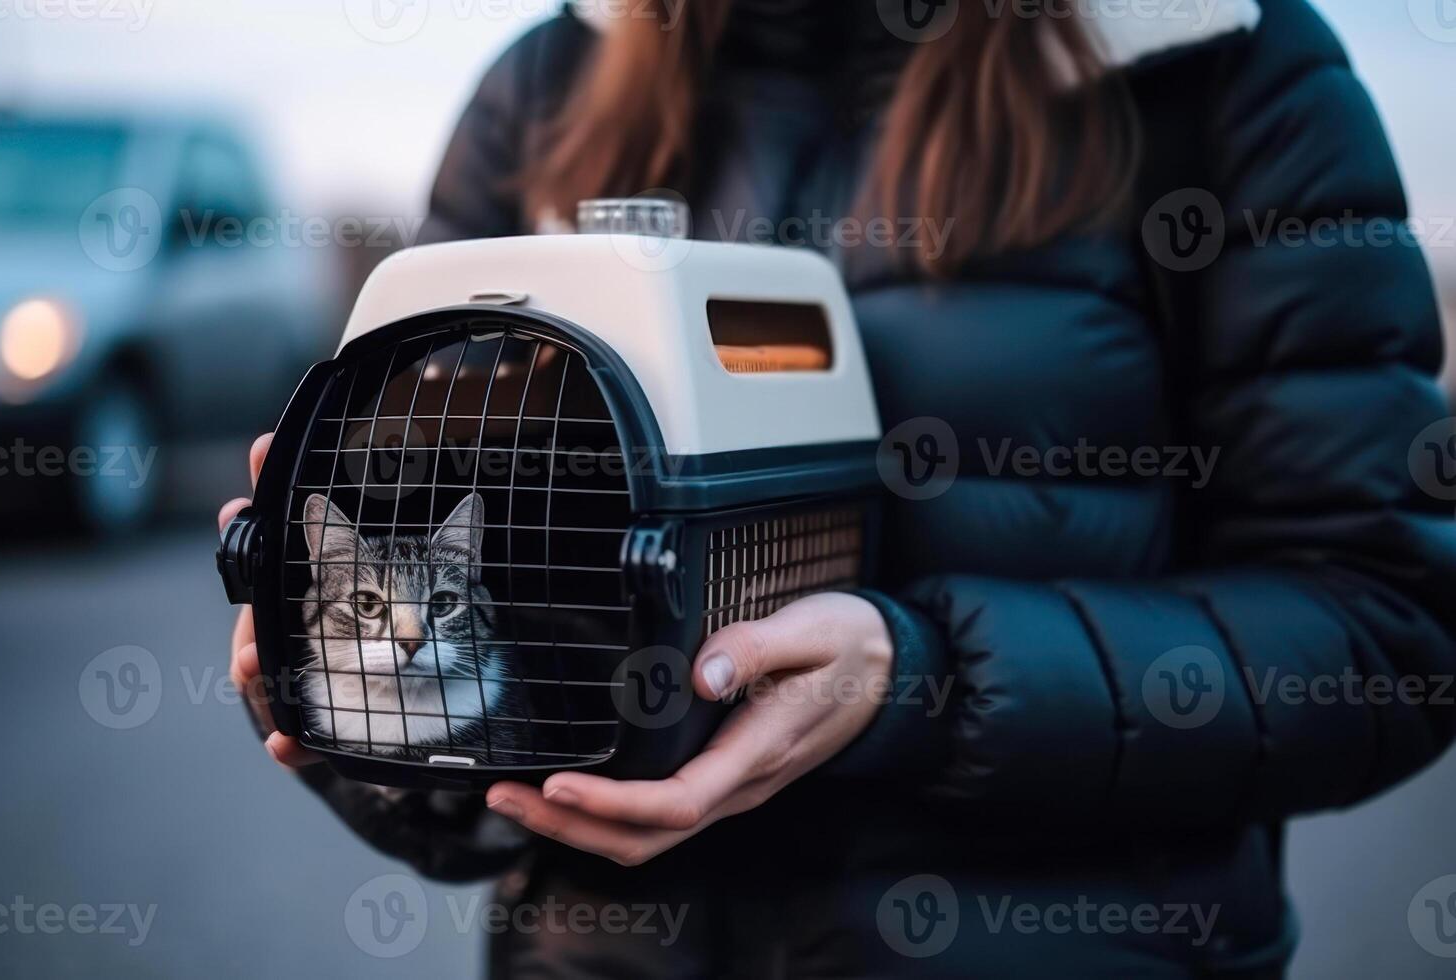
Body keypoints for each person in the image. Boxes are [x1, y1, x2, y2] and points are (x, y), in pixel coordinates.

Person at [220, 1, 1456, 975]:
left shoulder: (1217, 59)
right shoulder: (552, 81)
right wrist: (369, 722)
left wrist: (919, 682)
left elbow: (1389, 629)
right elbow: (463, 653)